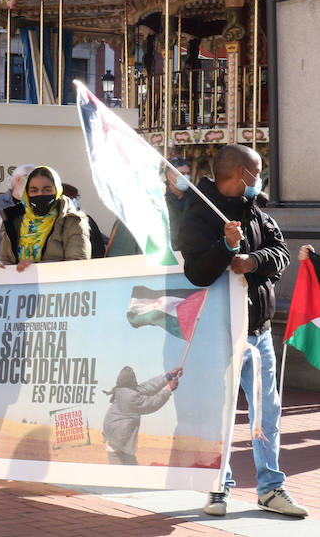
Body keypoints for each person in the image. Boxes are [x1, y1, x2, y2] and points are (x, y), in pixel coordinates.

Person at [181, 144, 306, 518]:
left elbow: (279, 253)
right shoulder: (199, 213)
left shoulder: (257, 210)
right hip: (217, 333)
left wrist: (252, 259)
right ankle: (218, 488)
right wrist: (225, 247)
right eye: (257, 171)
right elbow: (197, 272)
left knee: (266, 412)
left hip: (259, 331)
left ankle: (271, 487)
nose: (260, 177)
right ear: (241, 174)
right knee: (218, 412)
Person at [0, 165, 90, 271]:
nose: (40, 194)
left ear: (57, 190)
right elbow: (6, 259)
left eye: (47, 190)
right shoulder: (12, 221)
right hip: (18, 287)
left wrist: (36, 266)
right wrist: (4, 266)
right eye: (34, 190)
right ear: (27, 193)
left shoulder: (73, 221)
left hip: (58, 287)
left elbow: (78, 264)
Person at [101, 366, 182, 465]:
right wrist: (169, 389)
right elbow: (152, 403)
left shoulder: (122, 390)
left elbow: (148, 386)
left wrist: (168, 376)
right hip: (118, 448)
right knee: (124, 478)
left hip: (118, 445)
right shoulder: (130, 397)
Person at [0, 163, 35, 265]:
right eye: (32, 177)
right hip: (4, 262)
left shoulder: (36, 202)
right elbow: (5, 228)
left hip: (30, 261)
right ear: (19, 179)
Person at [165, 157, 195, 248]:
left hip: (190, 252)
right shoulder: (160, 198)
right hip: (169, 251)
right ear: (169, 176)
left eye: (188, 173)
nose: (186, 177)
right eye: (181, 174)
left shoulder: (195, 198)